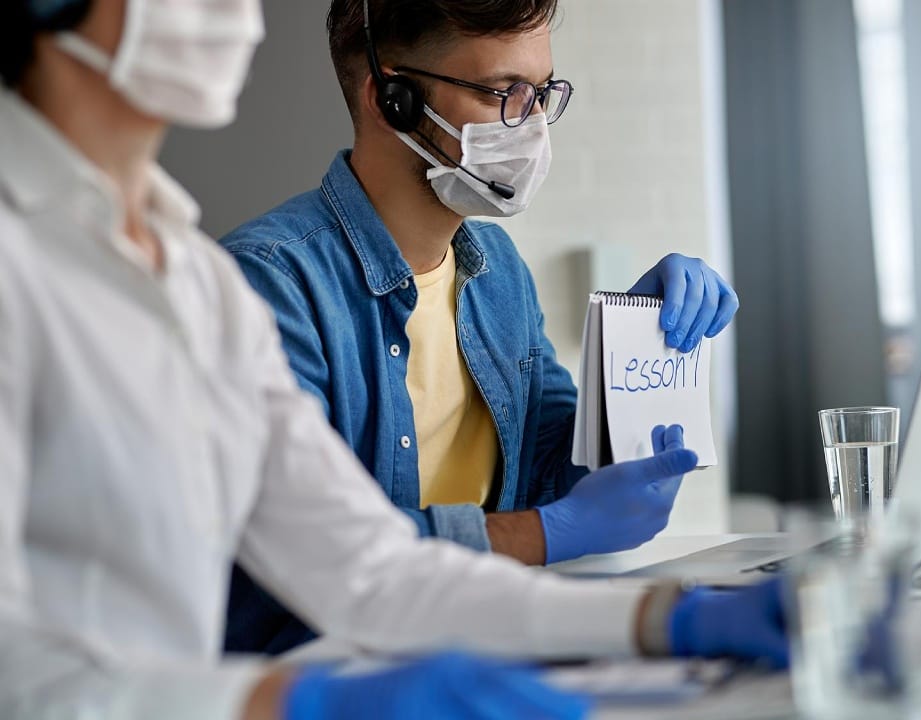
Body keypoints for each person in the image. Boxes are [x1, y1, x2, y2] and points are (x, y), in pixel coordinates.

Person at [0, 1, 784, 718]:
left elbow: (366, 565)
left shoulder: (190, 275)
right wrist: (296, 703)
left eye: (539, 94)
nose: (235, 14)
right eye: (502, 92)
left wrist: (668, 617)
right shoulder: (225, 274)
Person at [218, 0, 740, 654]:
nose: (533, 125)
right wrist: (551, 534)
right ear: (393, 99)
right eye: (504, 92)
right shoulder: (265, 287)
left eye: (542, 92)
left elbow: (559, 472)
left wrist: (633, 354)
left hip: (488, 650)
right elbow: (313, 561)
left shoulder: (498, 274)